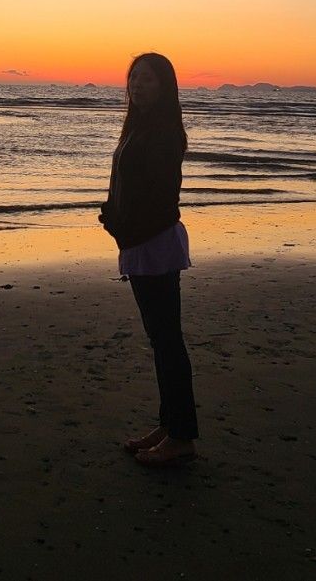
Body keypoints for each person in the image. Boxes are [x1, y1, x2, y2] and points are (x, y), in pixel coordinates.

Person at [99, 52, 199, 465]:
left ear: (165, 86)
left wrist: (124, 229)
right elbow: (125, 183)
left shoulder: (164, 134)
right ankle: (168, 425)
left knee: (167, 342)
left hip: (154, 244)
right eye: (134, 78)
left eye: (148, 79)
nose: (138, 85)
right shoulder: (138, 127)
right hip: (141, 242)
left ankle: (182, 437)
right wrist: (112, 215)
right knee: (161, 340)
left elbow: (161, 199)